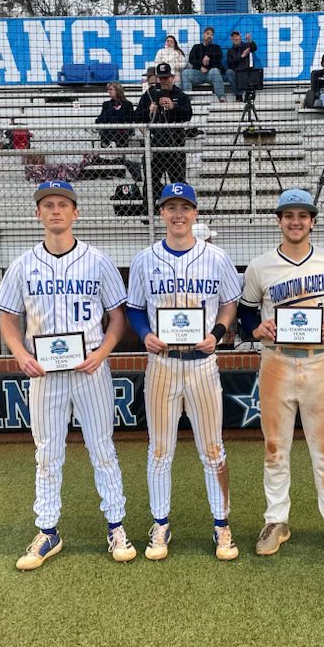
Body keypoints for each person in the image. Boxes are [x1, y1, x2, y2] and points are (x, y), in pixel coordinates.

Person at [0, 180, 136, 571]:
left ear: (76, 212)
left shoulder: (98, 260)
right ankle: (47, 530)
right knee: (47, 453)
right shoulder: (23, 264)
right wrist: (20, 354)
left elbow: (118, 317)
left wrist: (102, 354)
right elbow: (7, 317)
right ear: (38, 213)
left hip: (89, 369)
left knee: (102, 449)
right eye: (48, 205)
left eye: (62, 204)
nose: (55, 210)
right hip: (44, 373)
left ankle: (116, 526)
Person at [238, 188, 324, 558]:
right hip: (276, 361)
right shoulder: (260, 266)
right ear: (279, 221)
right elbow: (246, 314)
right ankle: (276, 520)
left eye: (302, 215)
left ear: (312, 221)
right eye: (288, 215)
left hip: (320, 360)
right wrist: (256, 329)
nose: (295, 222)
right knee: (275, 447)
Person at [126, 182, 242, 562]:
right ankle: (160, 524)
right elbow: (134, 308)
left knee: (213, 449)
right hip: (162, 364)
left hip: (202, 365)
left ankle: (221, 524)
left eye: (185, 207)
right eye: (171, 207)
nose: (178, 214)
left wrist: (218, 334)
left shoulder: (217, 258)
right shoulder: (144, 259)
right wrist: (144, 334)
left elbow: (229, 303)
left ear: (195, 213)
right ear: (161, 213)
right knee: (160, 450)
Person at [135, 62, 193, 205]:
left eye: (166, 78)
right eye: (160, 78)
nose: (163, 81)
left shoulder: (180, 95)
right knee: (150, 181)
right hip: (154, 146)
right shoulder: (149, 94)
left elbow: (188, 115)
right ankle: (149, 211)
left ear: (172, 77)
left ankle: (181, 208)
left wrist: (173, 107)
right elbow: (136, 116)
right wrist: (149, 110)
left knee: (178, 182)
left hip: (175, 145)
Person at [182, 27, 227, 101]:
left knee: (215, 71)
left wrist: (208, 56)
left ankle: (221, 97)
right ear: (203, 35)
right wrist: (200, 66)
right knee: (185, 73)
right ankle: (188, 99)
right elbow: (191, 59)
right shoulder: (196, 47)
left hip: (211, 74)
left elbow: (218, 59)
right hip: (198, 73)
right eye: (207, 33)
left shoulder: (216, 47)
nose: (209, 36)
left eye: (211, 35)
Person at [95, 81, 135, 148]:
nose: (109, 92)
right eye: (108, 90)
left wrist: (114, 112)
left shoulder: (127, 104)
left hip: (122, 132)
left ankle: (112, 143)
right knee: (112, 121)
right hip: (108, 132)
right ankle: (112, 143)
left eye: (111, 89)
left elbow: (129, 119)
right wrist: (113, 110)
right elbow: (100, 120)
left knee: (114, 120)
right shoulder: (106, 104)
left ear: (117, 90)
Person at [225, 30, 258, 102]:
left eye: (237, 36)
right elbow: (230, 64)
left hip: (246, 72)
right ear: (231, 39)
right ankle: (239, 95)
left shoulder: (246, 46)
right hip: (236, 73)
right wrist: (241, 57)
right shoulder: (230, 51)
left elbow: (254, 48)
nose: (235, 38)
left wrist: (249, 41)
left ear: (240, 37)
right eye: (233, 37)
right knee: (229, 72)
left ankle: (245, 94)